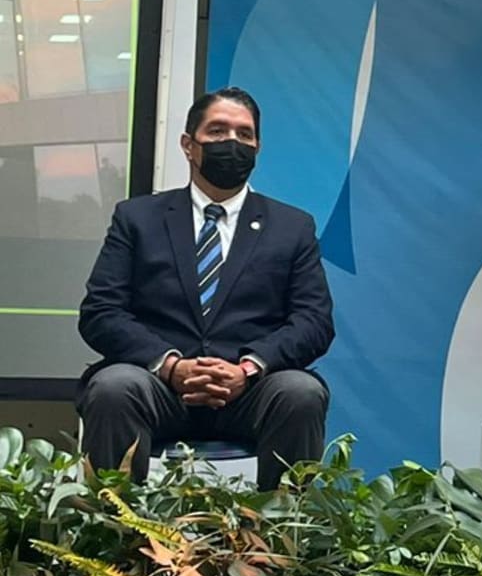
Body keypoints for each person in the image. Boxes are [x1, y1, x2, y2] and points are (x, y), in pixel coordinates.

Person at [76, 87, 334, 488]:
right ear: (188, 145)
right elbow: (101, 313)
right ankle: (114, 537)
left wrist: (247, 369)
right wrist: (171, 366)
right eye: (217, 131)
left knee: (300, 392)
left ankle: (280, 541)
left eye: (244, 135)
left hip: (250, 391)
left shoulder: (292, 227)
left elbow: (314, 321)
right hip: (157, 386)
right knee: (113, 387)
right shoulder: (137, 218)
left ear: (257, 147)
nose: (232, 143)